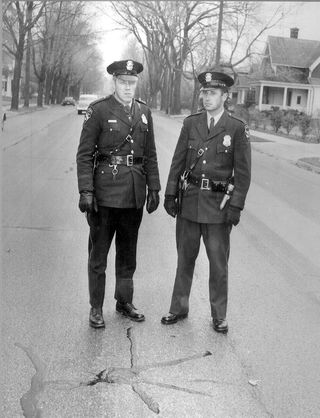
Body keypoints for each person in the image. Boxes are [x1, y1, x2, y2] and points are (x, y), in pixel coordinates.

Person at [161, 70, 251, 334]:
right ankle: (178, 307)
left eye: (212, 93)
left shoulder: (236, 128)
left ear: (225, 96)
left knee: (218, 264)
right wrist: (170, 193)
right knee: (184, 259)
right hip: (189, 203)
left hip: (218, 208)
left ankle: (219, 315)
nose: (206, 97)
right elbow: (178, 160)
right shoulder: (191, 123)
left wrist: (236, 205)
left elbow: (243, 173)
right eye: (204, 92)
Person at [76, 59, 161, 328]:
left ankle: (124, 301)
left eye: (132, 83)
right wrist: (86, 191)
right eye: (123, 82)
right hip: (104, 195)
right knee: (98, 255)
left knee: (128, 254)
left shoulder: (144, 112)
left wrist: (154, 187)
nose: (128, 87)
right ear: (114, 82)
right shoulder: (98, 110)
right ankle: (96, 307)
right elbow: (84, 155)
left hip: (133, 194)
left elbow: (150, 154)